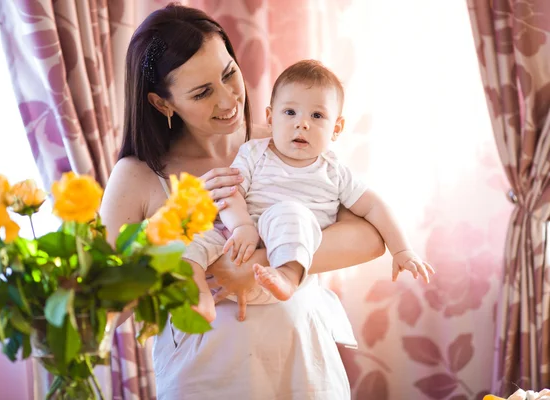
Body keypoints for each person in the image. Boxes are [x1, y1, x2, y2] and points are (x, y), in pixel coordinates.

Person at [101, 3, 386, 399]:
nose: (228, 99)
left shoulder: (283, 140)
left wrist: (259, 263)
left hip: (303, 367)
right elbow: (108, 305)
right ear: (161, 103)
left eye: (229, 73)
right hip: (204, 379)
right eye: (202, 92)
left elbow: (370, 237)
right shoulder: (138, 176)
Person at [183, 59, 434, 304]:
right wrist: (242, 227)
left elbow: (374, 206)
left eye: (317, 115)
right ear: (271, 118)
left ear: (336, 128)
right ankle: (200, 297)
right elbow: (231, 192)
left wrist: (401, 250)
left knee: (289, 211)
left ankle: (288, 276)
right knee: (190, 238)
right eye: (290, 112)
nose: (302, 123)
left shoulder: (334, 171)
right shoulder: (254, 152)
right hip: (240, 251)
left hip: (279, 274)